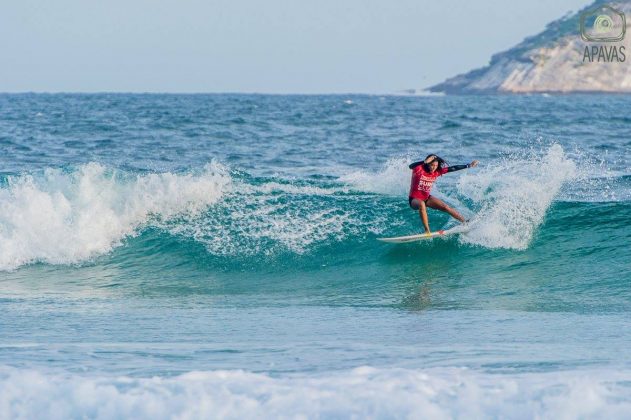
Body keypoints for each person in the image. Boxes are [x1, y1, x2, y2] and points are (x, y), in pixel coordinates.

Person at [408, 154, 479, 234]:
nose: (434, 167)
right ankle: (427, 230)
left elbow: (452, 168)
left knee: (445, 207)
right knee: (421, 204)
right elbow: (411, 166)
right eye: (432, 165)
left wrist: (469, 165)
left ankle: (465, 222)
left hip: (426, 198)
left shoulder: (436, 172)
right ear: (427, 164)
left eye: (436, 165)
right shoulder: (419, 169)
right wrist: (424, 162)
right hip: (414, 199)